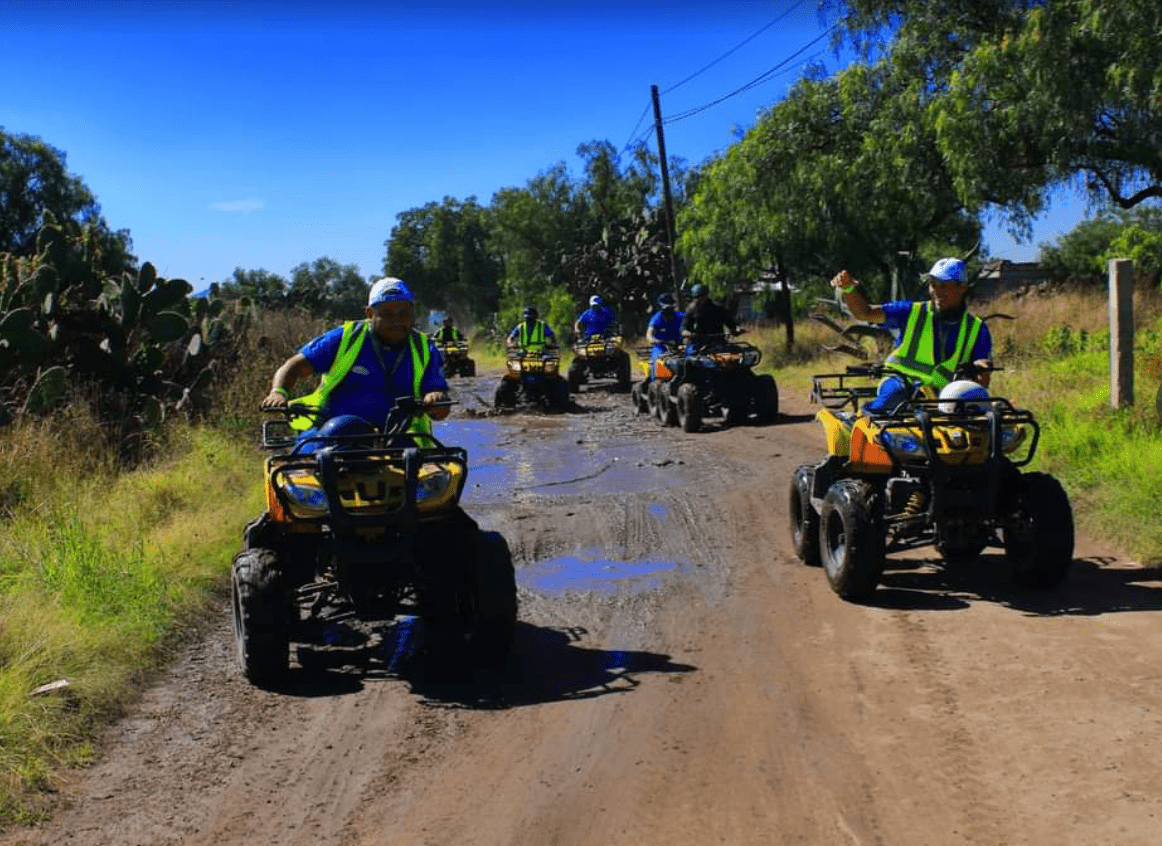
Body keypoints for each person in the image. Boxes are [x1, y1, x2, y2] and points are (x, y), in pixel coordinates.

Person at [260, 276, 450, 440]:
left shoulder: (425, 348)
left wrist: (435, 399)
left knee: (432, 469)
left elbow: (441, 412)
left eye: (404, 313)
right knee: (305, 465)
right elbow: (294, 366)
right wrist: (278, 392)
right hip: (333, 435)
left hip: (399, 440)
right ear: (369, 313)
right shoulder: (345, 338)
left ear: (413, 313)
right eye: (387, 314)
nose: (397, 321)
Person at [830, 257, 993, 413]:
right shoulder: (911, 311)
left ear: (962, 287)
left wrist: (982, 369)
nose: (936, 291)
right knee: (893, 397)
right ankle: (864, 421)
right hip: (902, 381)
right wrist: (849, 289)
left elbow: (982, 381)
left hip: (947, 393)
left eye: (944, 286)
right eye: (933, 285)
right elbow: (865, 313)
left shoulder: (977, 329)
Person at [681, 283, 739, 353]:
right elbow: (683, 330)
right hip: (698, 344)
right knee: (691, 354)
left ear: (706, 295)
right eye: (697, 297)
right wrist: (691, 335)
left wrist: (735, 332)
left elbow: (731, 326)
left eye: (702, 296)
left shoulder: (719, 309)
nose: (700, 299)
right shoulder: (691, 310)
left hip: (717, 343)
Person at [644, 291, 684, 381]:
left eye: (671, 307)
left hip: (678, 346)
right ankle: (655, 382)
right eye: (666, 308)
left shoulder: (681, 316)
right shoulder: (657, 318)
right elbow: (649, 334)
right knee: (657, 361)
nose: (669, 310)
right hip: (661, 347)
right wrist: (655, 340)